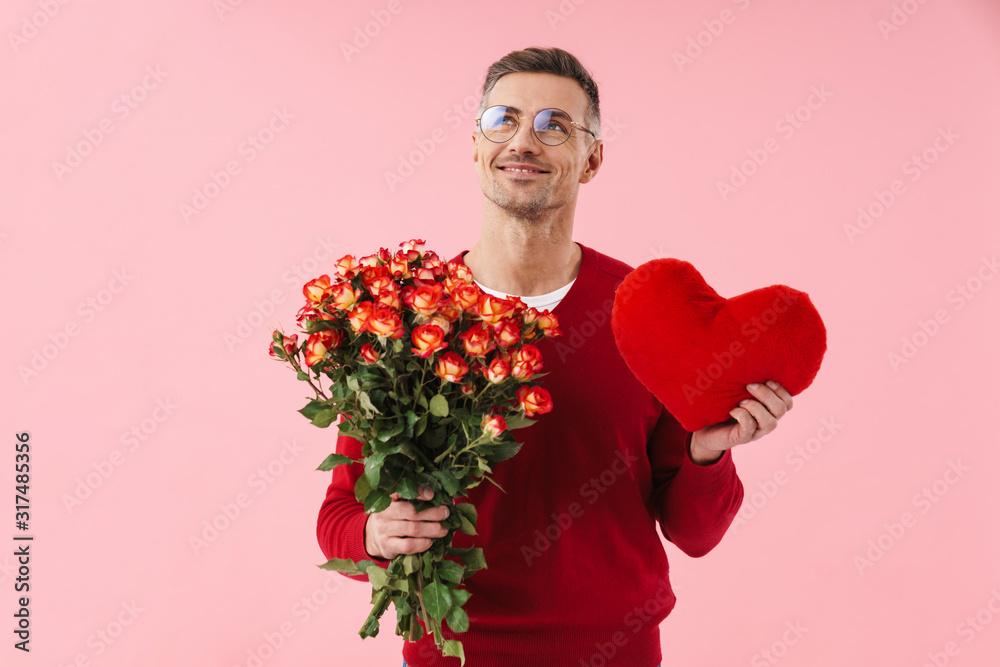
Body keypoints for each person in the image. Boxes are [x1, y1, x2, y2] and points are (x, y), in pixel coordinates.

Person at [317, 46, 794, 667]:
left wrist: (709, 452)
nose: (523, 142)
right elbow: (339, 519)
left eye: (554, 127)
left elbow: (695, 535)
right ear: (475, 144)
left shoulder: (644, 316)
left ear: (591, 159)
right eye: (503, 120)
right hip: (453, 654)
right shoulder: (404, 317)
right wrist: (377, 535)